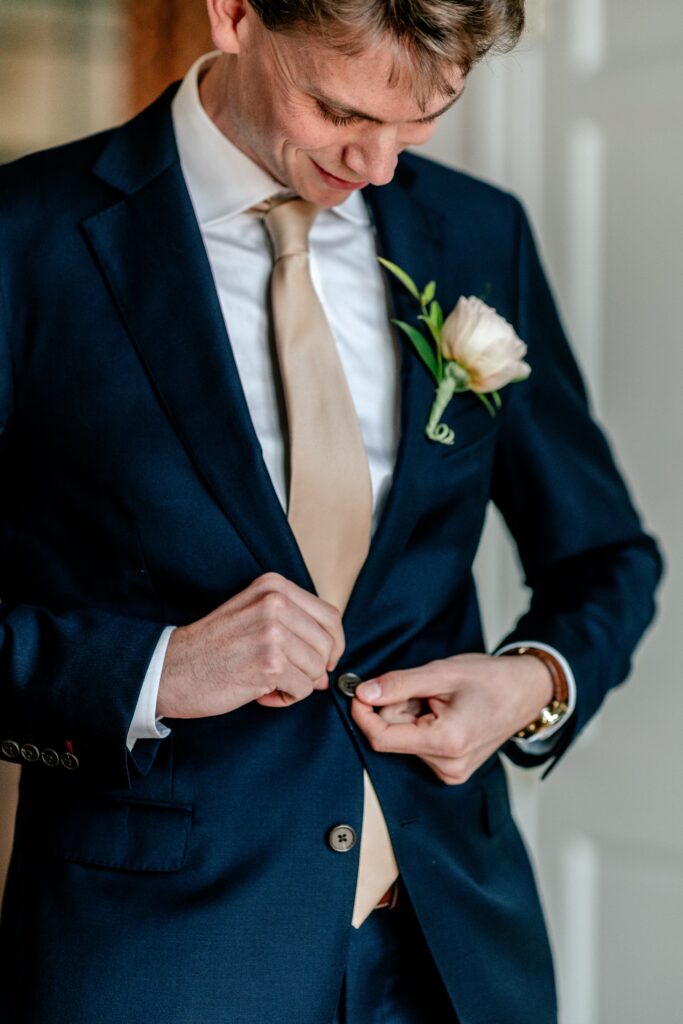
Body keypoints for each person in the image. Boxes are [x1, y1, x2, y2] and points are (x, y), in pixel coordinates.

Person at [0, 1, 662, 1022]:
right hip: (155, 963)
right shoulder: (24, 240)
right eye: (335, 107)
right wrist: (155, 672)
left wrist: (529, 686)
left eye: (423, 119)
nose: (379, 166)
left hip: (454, 958)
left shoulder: (481, 234)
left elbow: (605, 554)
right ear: (232, 14)